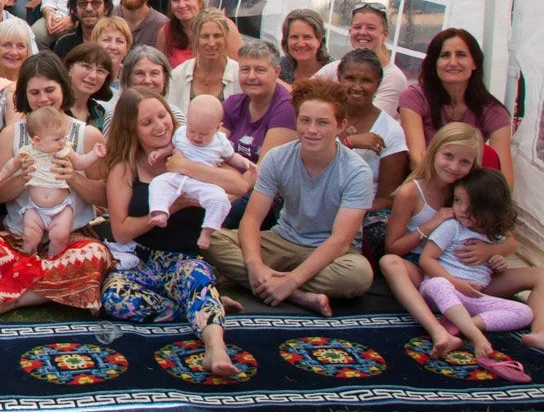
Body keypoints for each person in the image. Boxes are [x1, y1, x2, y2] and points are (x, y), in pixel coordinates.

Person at [101, 87, 247, 379]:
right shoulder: (124, 168)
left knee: (194, 276)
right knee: (115, 298)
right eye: (147, 122)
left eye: (162, 116)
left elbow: (239, 185)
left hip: (185, 257)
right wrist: (174, 206)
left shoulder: (196, 149)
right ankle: (200, 303)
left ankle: (215, 348)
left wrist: (188, 166)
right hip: (142, 260)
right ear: (132, 130)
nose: (159, 126)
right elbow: (121, 230)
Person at [0, 55, 111, 321]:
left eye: (50, 90)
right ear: (24, 96)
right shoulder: (12, 135)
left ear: (63, 88)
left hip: (70, 239)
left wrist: (73, 178)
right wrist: (20, 180)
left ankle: (9, 301)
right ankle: (56, 287)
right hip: (20, 238)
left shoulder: (85, 135)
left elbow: (104, 196)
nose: (43, 99)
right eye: (34, 92)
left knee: (94, 256)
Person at [207, 79, 374, 314]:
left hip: (331, 253)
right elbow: (252, 220)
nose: (312, 130)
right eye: (305, 120)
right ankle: (294, 295)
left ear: (341, 125)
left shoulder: (357, 171)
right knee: (210, 237)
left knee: (358, 276)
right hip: (282, 240)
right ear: (296, 120)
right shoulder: (278, 158)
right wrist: (255, 265)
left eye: (322, 122)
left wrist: (292, 280)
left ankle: (270, 284)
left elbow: (340, 240)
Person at [414, 169, 532, 369]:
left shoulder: (495, 237)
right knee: (439, 284)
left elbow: (494, 266)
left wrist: (498, 264)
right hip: (441, 290)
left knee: (524, 312)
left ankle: (461, 324)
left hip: (473, 297)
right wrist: (456, 282)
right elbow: (426, 260)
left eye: (471, 205)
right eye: (458, 201)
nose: (462, 209)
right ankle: (476, 336)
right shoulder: (452, 227)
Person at [398, 27, 512, 182]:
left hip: (470, 193)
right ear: (434, 63)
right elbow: (416, 160)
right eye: (445, 55)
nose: (453, 62)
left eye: (461, 55)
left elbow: (505, 178)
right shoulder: (413, 97)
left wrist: (466, 200)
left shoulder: (495, 112)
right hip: (424, 187)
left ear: (474, 64)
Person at [143, 95, 253, 249]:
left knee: (220, 199)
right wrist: (161, 152)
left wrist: (245, 163)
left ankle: (207, 231)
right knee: (158, 183)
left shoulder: (221, 141)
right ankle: (160, 212)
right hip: (177, 177)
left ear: (217, 128)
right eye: (192, 130)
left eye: (203, 134)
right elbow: (172, 146)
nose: (196, 137)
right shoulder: (181, 132)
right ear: (187, 121)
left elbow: (232, 157)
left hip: (203, 183)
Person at [335, 48, 410, 258]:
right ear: (339, 78)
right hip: (315, 198)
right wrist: (349, 142)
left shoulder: (390, 130)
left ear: (378, 85)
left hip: (362, 209)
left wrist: (349, 212)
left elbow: (388, 198)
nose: (357, 87)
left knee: (380, 228)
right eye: (350, 78)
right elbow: (306, 158)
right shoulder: (323, 116)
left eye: (366, 80)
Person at [8, 106, 108, 256]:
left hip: (62, 208)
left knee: (60, 237)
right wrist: (0, 176)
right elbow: (11, 165)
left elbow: (81, 162)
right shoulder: (28, 152)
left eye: (64, 137)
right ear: (37, 141)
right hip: (35, 208)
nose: (62, 141)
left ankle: (53, 260)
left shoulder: (65, 151)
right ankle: (25, 260)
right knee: (29, 236)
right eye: (57, 139)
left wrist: (94, 154)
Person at [312, 2, 408, 114]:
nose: (362, 32)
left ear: (385, 34)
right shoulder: (335, 67)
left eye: (371, 28)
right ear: (350, 32)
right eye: (357, 27)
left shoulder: (393, 77)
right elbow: (304, 94)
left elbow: (375, 123)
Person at [168, 9, 240, 114]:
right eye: (205, 36)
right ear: (195, 38)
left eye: (217, 36)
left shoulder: (239, 75)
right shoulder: (178, 75)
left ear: (226, 37)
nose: (211, 43)